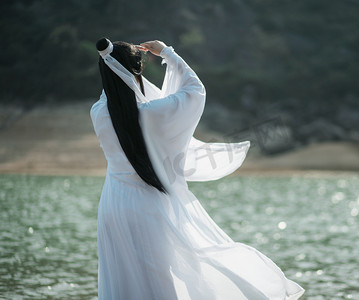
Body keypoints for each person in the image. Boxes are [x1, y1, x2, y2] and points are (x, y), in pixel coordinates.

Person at [90, 37, 305, 299]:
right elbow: (194, 91)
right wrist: (168, 53)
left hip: (113, 205)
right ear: (135, 71)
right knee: (159, 278)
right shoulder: (153, 113)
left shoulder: (98, 113)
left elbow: (116, 91)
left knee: (123, 278)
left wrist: (111, 59)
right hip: (148, 205)